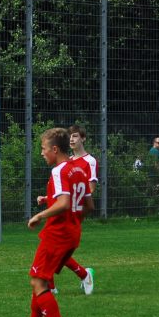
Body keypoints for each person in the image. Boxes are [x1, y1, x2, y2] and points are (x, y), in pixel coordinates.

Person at [6, 128, 93, 317]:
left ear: (55, 149)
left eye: (44, 149)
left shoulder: (59, 171)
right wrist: (71, 217)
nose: (42, 153)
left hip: (57, 234)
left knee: (37, 280)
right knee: (42, 279)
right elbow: (88, 205)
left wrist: (39, 215)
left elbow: (64, 203)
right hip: (73, 233)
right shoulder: (79, 169)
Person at [49, 124, 95, 295]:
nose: (72, 140)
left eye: (75, 136)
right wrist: (48, 198)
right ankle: (54, 284)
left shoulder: (89, 161)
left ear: (83, 138)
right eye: (70, 137)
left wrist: (76, 209)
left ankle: (53, 284)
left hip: (73, 211)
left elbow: (88, 190)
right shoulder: (66, 161)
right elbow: (65, 189)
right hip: (62, 208)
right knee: (54, 249)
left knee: (54, 250)